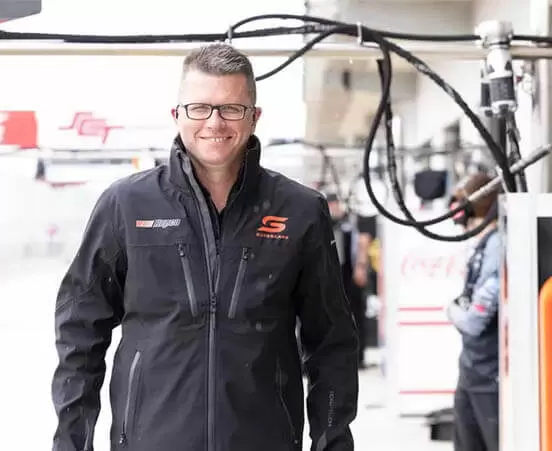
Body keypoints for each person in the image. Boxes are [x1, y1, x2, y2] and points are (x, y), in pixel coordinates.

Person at [51, 43, 360, 451]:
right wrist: (72, 443)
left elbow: (331, 343)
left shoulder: (300, 210)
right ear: (177, 114)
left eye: (231, 108)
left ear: (254, 116)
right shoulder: (125, 205)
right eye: (199, 108)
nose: (215, 122)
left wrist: (332, 443)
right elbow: (79, 332)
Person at [445, 172, 503, 451]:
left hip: (490, 375)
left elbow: (474, 321)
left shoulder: (498, 245)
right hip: (470, 370)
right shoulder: (482, 243)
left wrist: (451, 310)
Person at [325, 193, 372, 368]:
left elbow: (364, 240)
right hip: (330, 275)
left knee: (356, 315)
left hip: (350, 273)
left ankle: (358, 357)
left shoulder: (353, 220)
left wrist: (361, 266)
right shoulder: (323, 222)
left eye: (335, 204)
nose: (334, 208)